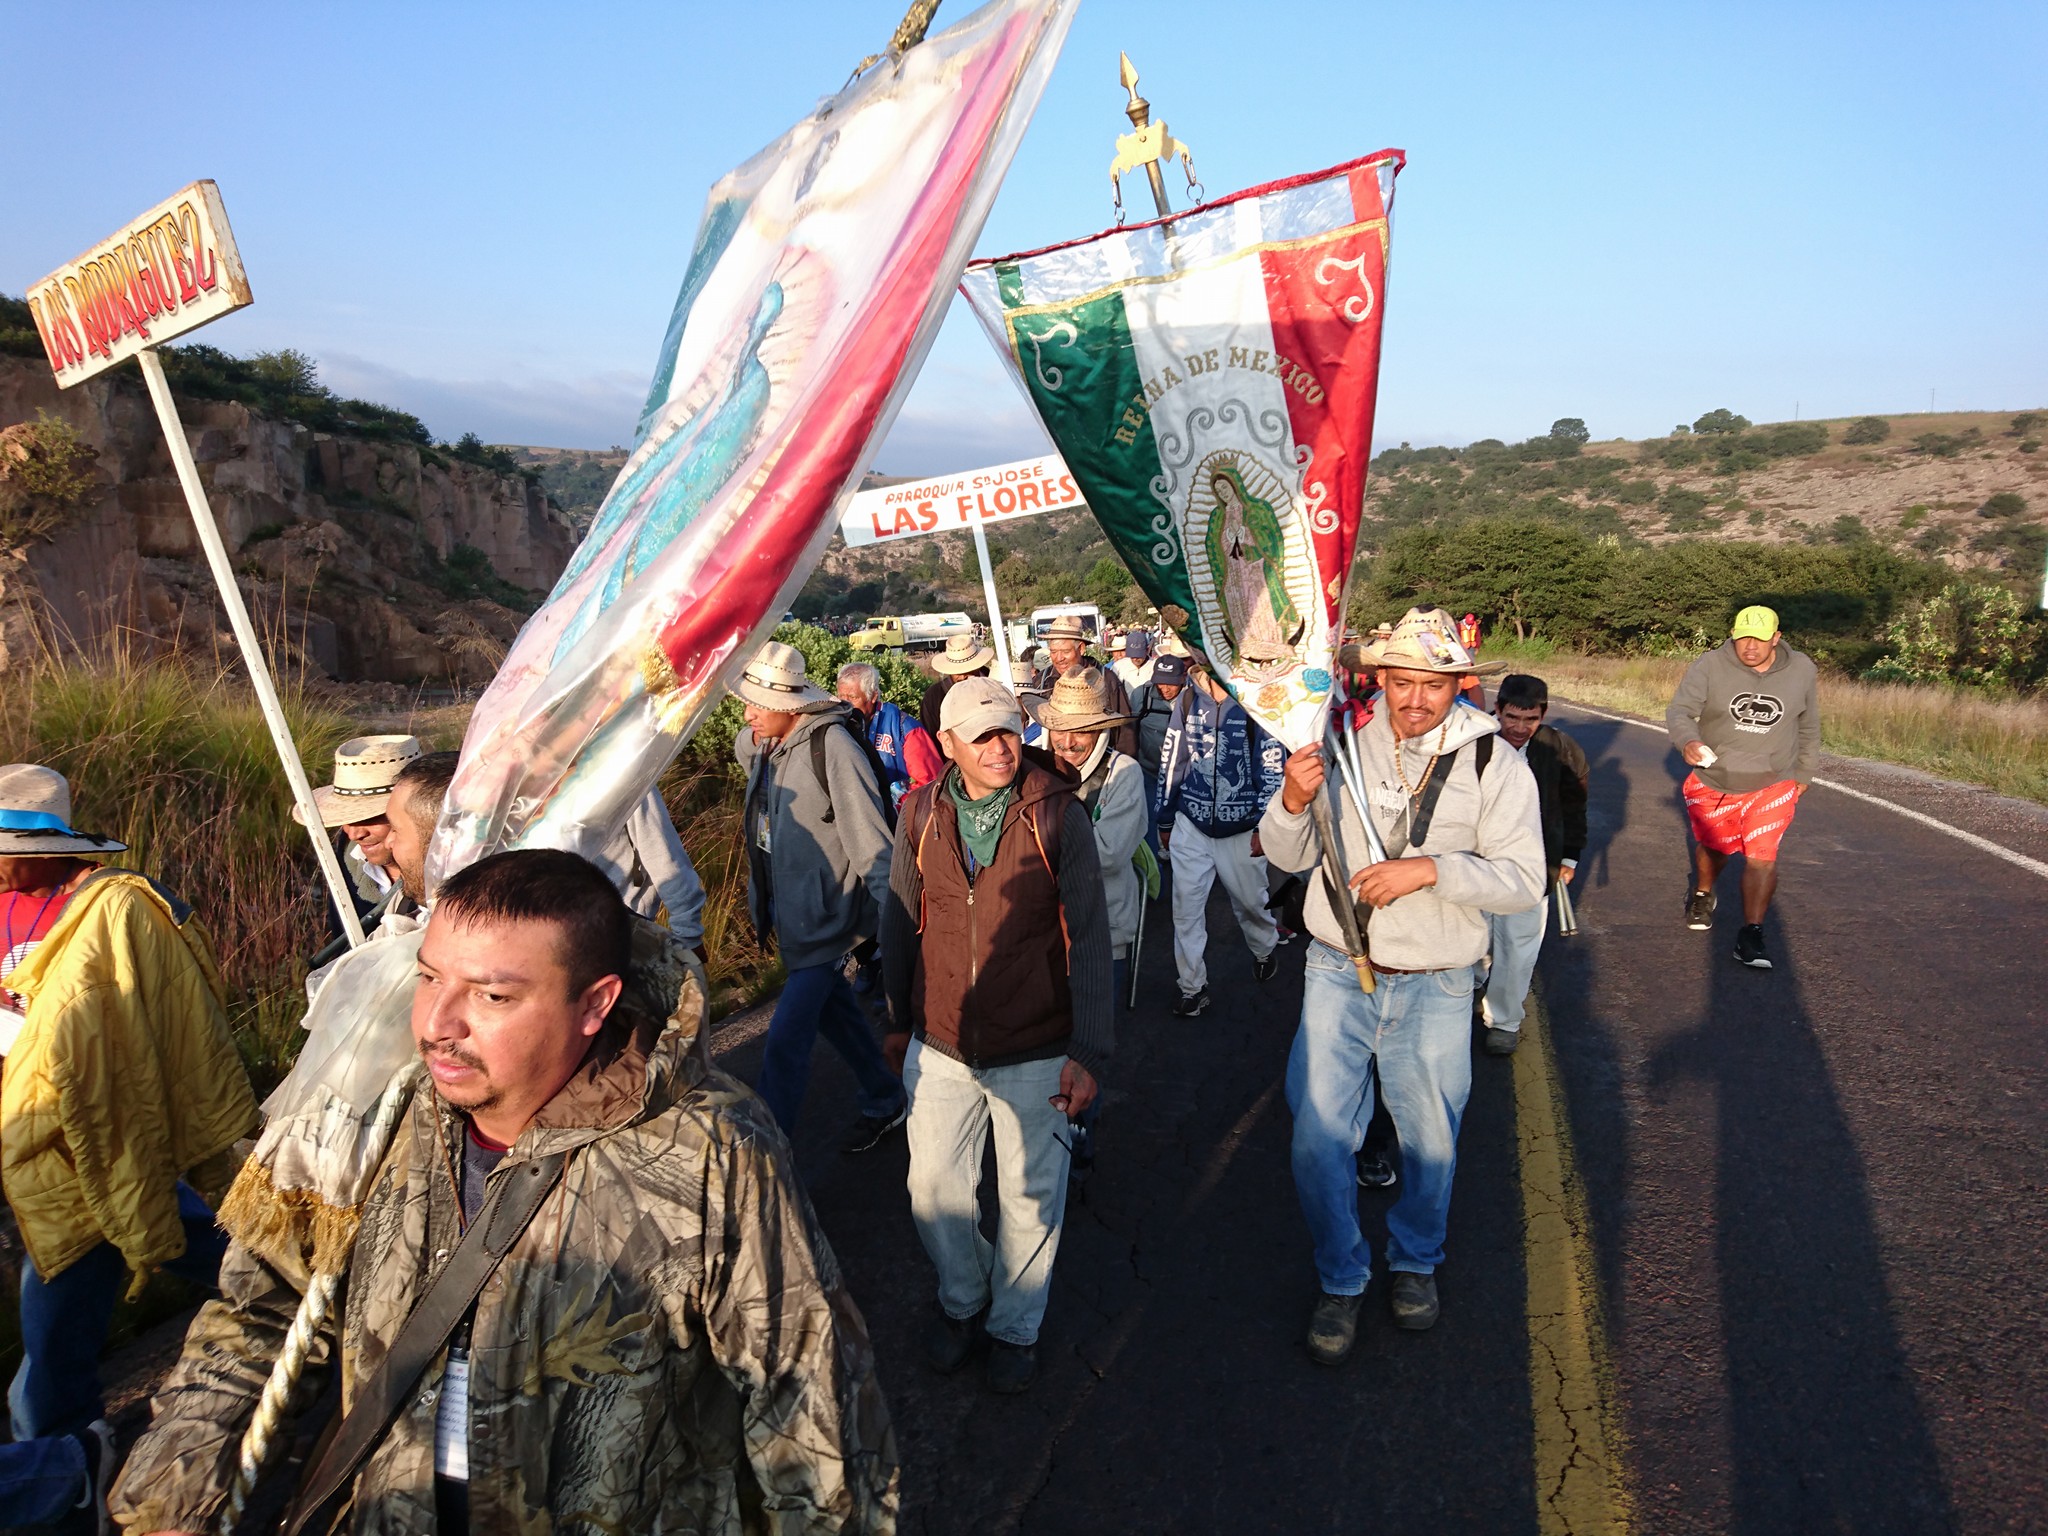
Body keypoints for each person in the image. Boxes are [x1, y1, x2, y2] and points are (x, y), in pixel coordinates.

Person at [110, 849, 899, 1534]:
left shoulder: (708, 1149)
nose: (437, 1024)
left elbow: (805, 1393)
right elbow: (264, 1310)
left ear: (595, 1004)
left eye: (492, 996)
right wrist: (179, 1495)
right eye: (429, 979)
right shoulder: (379, 1121)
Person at [1260, 611, 1543, 1361]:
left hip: (1439, 984)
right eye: (1403, 681)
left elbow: (1523, 882)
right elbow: (1285, 856)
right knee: (1318, 1142)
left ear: (1460, 685)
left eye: (1434, 684)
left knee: (1431, 1144)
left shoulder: (1496, 765)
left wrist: (1433, 871)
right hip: (1334, 971)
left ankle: (1416, 1262)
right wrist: (1291, 797)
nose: (1416, 699)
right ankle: (1342, 1276)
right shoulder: (1334, 746)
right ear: (1379, 678)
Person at [0, 765, 257, 1530]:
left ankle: (66, 1459)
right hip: (32, 1122)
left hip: (98, 1124)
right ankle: (275, 1278)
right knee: (157, 1226)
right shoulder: (7, 901)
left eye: (10, 849)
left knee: (72, 1271)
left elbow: (155, 1017)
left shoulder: (111, 909)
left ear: (56, 849)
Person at [879, 679, 1113, 1395]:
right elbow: (898, 920)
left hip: (1035, 1042)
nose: (1000, 747)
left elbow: (1092, 936)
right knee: (933, 1188)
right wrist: (895, 1021)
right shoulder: (920, 813)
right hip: (941, 1038)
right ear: (947, 744)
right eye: (980, 736)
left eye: (1008, 730)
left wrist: (1089, 1051)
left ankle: (1015, 1327)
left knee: (1029, 1197)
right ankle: (966, 1298)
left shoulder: (1055, 815)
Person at [733, 642, 908, 1149]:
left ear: (790, 706)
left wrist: (897, 923)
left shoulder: (832, 746)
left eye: (756, 704)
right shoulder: (768, 745)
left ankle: (768, 1160)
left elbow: (871, 841)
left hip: (829, 920)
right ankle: (884, 1094)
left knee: (784, 1044)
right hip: (793, 918)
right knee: (838, 1015)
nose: (747, 715)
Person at [1030, 669, 1147, 1174]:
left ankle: (1080, 1139)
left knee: (1086, 1045)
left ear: (1103, 728)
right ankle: (1049, 1133)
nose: (1070, 740)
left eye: (1082, 729)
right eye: (1061, 727)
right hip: (1039, 932)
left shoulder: (1123, 775)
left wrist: (1035, 847)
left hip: (1102, 933)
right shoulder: (1034, 763)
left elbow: (1108, 854)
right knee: (1042, 1040)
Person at [1665, 604, 1819, 969]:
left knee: (1761, 858)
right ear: (1733, 634)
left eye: (1760, 638)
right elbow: (1680, 711)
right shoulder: (1710, 665)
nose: (1750, 646)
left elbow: (1808, 725)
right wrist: (1688, 741)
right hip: (1717, 777)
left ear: (1776, 638)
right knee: (1713, 849)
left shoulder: (1801, 670)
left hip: (1773, 781)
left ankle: (1752, 933)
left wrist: (1804, 773)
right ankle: (1703, 892)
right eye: (1742, 637)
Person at [1155, 660, 1285, 1016]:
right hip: (1190, 825)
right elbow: (1172, 762)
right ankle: (1192, 988)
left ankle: (1264, 946)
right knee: (1185, 910)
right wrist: (1165, 818)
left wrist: (1264, 825)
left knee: (1249, 904)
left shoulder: (1255, 702)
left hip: (1240, 829)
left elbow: (1272, 767)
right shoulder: (1186, 701)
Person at [1479, 674, 1589, 1055]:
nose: (1520, 728)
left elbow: (1575, 807)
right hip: (1475, 863)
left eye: (1531, 719)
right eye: (1512, 717)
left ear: (1543, 714)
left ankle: (1504, 1022)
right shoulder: (1474, 744)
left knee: (1518, 947)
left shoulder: (1560, 749)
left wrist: (1568, 857)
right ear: (1497, 709)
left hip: (1533, 869)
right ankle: (1469, 990)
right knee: (1473, 941)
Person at [293, 733, 422, 941]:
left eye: (370, 817)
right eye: (348, 818)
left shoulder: (457, 869)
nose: (355, 833)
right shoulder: (347, 858)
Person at [838, 661, 943, 804]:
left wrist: (895, 805)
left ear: (873, 696)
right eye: (841, 697)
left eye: (853, 697)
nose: (846, 705)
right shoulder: (838, 726)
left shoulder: (906, 729)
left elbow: (929, 784)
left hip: (897, 818)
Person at [1031, 617, 1137, 758]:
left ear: (1081, 648)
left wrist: (1123, 765)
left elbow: (1124, 731)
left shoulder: (1105, 679)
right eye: (1053, 652)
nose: (1059, 658)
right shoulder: (1043, 680)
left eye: (1065, 651)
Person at [1127, 651, 1187, 860]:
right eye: (1160, 683)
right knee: (1150, 821)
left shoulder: (1193, 699)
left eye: (1171, 683)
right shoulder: (1140, 696)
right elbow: (1130, 733)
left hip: (1183, 779)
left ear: (1183, 679)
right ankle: (1155, 873)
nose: (1165, 688)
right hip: (1149, 773)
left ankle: (1181, 858)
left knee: (1183, 823)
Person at [921, 633, 996, 738]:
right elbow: (932, 739)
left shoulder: (996, 683)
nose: (963, 676)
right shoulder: (934, 697)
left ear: (978, 665)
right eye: (958, 671)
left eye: (969, 669)